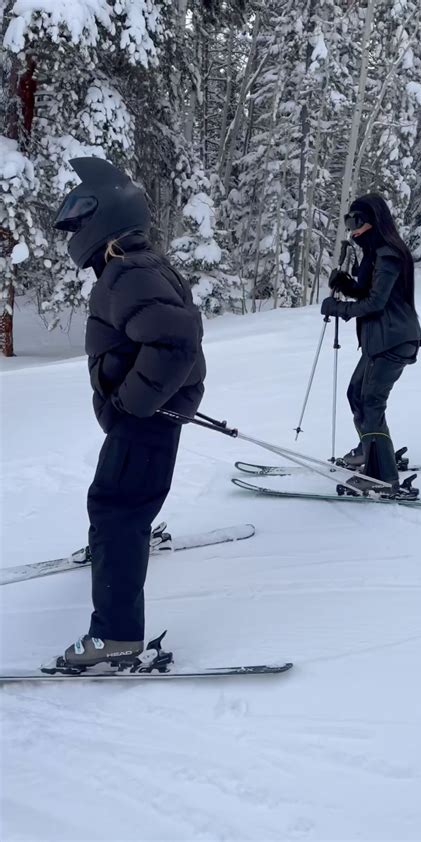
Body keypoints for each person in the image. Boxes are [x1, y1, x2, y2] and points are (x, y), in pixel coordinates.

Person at [52, 157, 206, 667]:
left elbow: (175, 342)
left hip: (145, 419)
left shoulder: (128, 273)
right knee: (122, 507)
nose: (73, 233)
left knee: (115, 510)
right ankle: (124, 546)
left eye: (78, 221)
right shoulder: (134, 267)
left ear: (105, 216)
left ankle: (115, 637)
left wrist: (131, 404)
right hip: (150, 417)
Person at [320, 193, 421, 491]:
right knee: (357, 394)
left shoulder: (388, 254)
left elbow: (377, 302)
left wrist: (340, 309)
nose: (352, 229)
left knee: (371, 402)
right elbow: (370, 293)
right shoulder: (375, 253)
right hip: (380, 341)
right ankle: (370, 451)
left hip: (393, 340)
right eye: (348, 221)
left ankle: (382, 476)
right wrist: (345, 285)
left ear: (374, 221)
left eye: (357, 221)